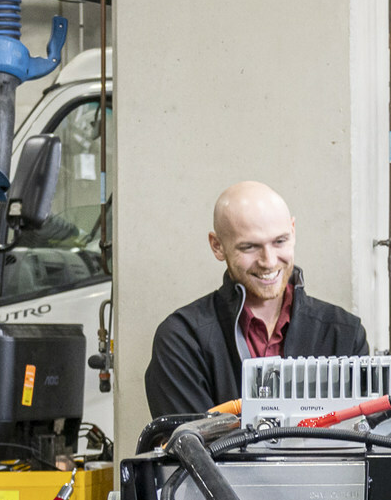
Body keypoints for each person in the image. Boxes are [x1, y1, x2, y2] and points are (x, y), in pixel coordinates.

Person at [142, 180, 368, 421]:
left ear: (293, 230)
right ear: (217, 246)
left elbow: (366, 438)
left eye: (279, 241)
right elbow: (192, 449)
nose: (269, 261)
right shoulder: (182, 339)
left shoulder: (344, 334)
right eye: (249, 247)